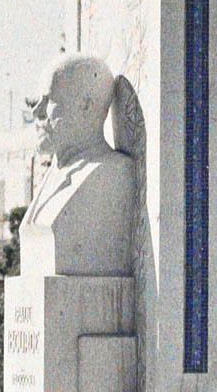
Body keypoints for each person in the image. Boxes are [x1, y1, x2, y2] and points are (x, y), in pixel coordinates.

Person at [19, 53, 134, 277]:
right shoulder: (54, 173)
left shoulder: (112, 172)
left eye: (48, 100)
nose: (36, 111)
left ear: (85, 106)